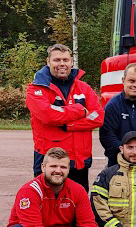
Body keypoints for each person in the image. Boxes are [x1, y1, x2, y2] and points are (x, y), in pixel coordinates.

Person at [27, 43, 104, 189]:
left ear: (71, 62)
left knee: (77, 207)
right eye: (57, 60)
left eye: (65, 60)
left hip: (79, 162)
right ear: (48, 62)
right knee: (48, 207)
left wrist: (68, 125)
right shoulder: (36, 89)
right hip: (50, 163)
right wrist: (80, 111)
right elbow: (48, 116)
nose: (61, 64)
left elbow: (98, 117)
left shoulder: (84, 88)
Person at [100, 63, 136, 164]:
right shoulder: (113, 106)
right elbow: (107, 135)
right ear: (123, 80)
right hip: (117, 164)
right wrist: (126, 152)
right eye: (131, 81)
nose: (135, 85)